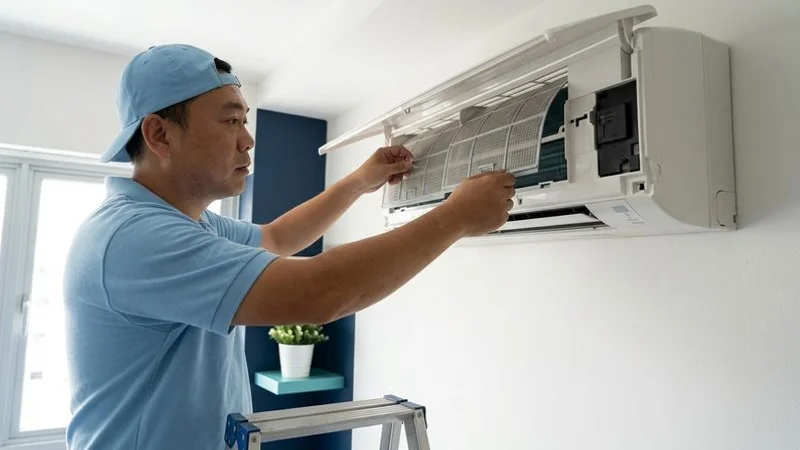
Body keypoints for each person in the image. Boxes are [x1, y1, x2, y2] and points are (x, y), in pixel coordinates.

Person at [63, 43, 515, 449]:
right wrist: (454, 218)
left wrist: (360, 180)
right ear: (159, 135)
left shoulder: (192, 225)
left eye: (245, 120)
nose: (248, 139)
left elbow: (277, 238)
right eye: (231, 121)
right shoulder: (133, 238)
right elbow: (319, 292)